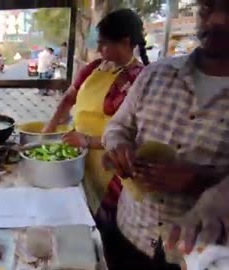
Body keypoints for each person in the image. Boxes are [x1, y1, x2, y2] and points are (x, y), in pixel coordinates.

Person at [101, 0, 229, 269]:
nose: (216, 20)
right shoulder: (156, 74)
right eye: (207, 8)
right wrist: (119, 144)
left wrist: (202, 182)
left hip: (198, 255)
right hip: (130, 232)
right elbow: (117, 126)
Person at [43, 8, 149, 242]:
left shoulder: (139, 79)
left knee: (109, 231)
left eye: (104, 44)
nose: (98, 49)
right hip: (83, 158)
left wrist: (87, 140)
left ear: (125, 42)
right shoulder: (94, 68)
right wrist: (50, 126)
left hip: (111, 165)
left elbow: (135, 136)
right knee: (83, 209)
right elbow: (69, 97)